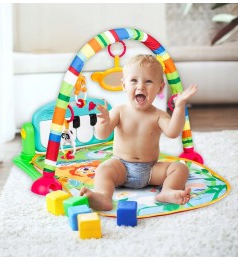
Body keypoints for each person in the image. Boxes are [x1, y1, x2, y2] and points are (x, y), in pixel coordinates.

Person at [80, 54, 198, 211]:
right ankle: (103, 196)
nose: (140, 86)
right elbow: (102, 134)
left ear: (160, 87)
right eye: (134, 81)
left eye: (148, 81)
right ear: (124, 85)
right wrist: (103, 122)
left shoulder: (159, 115)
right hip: (121, 166)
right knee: (103, 169)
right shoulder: (119, 111)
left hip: (150, 170)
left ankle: (167, 191)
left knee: (180, 168)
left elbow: (173, 132)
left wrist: (180, 106)